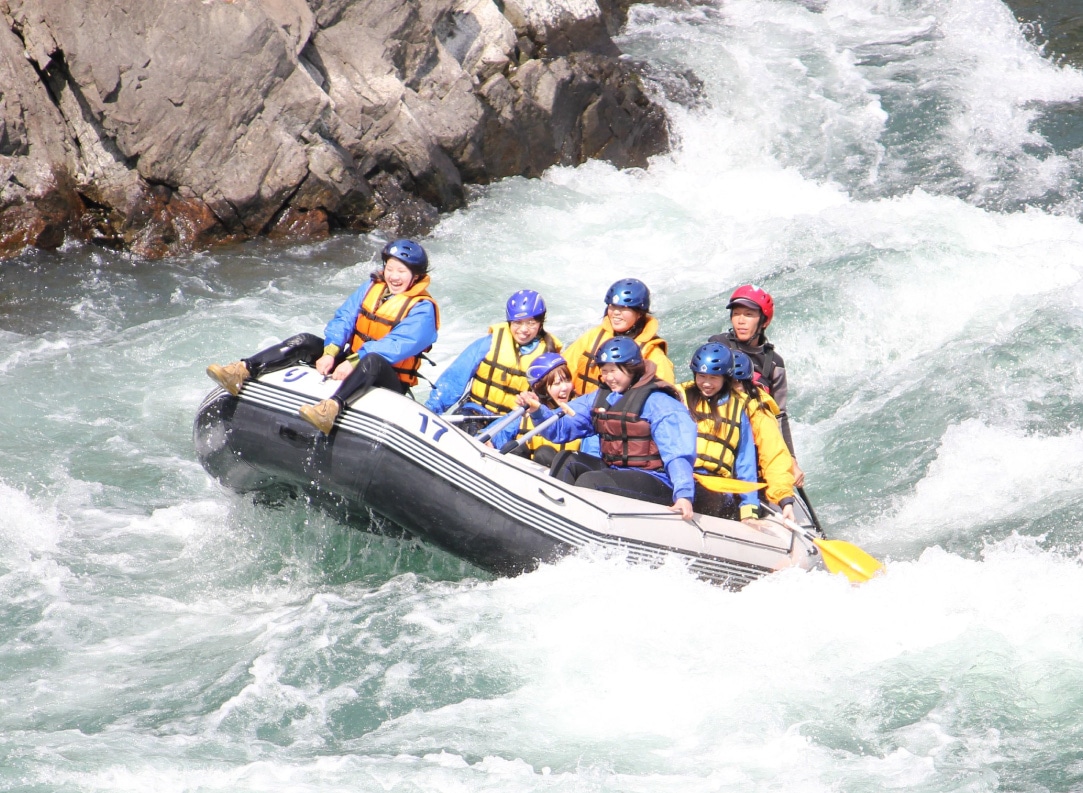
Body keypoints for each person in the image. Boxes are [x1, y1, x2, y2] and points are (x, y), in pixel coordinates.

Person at [205, 239, 439, 434]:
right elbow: (344, 319)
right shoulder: (372, 287)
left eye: (402, 271)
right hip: (355, 360)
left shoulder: (423, 309)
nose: (394, 276)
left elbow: (395, 345)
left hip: (387, 377)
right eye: (390, 268)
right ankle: (243, 370)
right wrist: (331, 352)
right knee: (305, 340)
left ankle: (331, 409)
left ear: (416, 277)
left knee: (373, 360)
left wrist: (351, 362)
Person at [517, 337, 696, 520]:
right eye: (604, 371)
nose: (608, 377)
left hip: (656, 480)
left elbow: (677, 453)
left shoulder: (660, 403)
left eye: (613, 371)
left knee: (591, 481)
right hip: (616, 472)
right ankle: (552, 518)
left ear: (631, 368)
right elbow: (562, 429)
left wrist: (683, 495)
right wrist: (537, 410)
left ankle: (580, 528)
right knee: (567, 459)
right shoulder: (601, 398)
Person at [709, 284, 804, 487]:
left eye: (749, 314)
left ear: (763, 321)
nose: (741, 321)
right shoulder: (718, 345)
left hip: (756, 441)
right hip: (718, 435)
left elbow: (779, 414)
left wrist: (791, 459)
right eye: (736, 314)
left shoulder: (774, 362)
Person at [424, 290, 560, 424]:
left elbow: (554, 399)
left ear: (540, 323)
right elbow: (454, 380)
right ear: (509, 322)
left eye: (531, 323)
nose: (524, 330)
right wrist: (431, 410)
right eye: (518, 322)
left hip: (514, 422)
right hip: (475, 413)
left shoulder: (549, 354)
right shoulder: (489, 343)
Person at [680, 343, 762, 522]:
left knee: (709, 500)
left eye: (714, 378)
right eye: (701, 376)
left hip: (716, 484)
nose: (707, 383)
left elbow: (745, 464)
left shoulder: (739, 410)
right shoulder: (680, 396)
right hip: (681, 476)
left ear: (726, 378)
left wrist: (749, 509)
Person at [561, 278, 675, 395]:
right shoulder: (594, 336)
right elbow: (562, 370)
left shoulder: (653, 354)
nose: (615, 312)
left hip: (622, 411)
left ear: (640, 313)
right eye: (612, 306)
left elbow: (665, 398)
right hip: (581, 408)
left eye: (623, 308)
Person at [731, 350, 797, 521]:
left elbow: (774, 457)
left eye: (737, 384)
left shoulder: (758, 414)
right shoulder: (700, 403)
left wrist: (785, 500)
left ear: (747, 385)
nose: (732, 391)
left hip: (749, 489)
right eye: (728, 384)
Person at [490, 352, 582, 464]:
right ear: (541, 389)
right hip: (523, 473)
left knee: (544, 454)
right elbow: (493, 436)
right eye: (557, 383)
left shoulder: (582, 412)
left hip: (561, 476)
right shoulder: (527, 411)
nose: (565, 388)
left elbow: (592, 453)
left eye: (567, 381)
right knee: (513, 448)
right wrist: (489, 444)